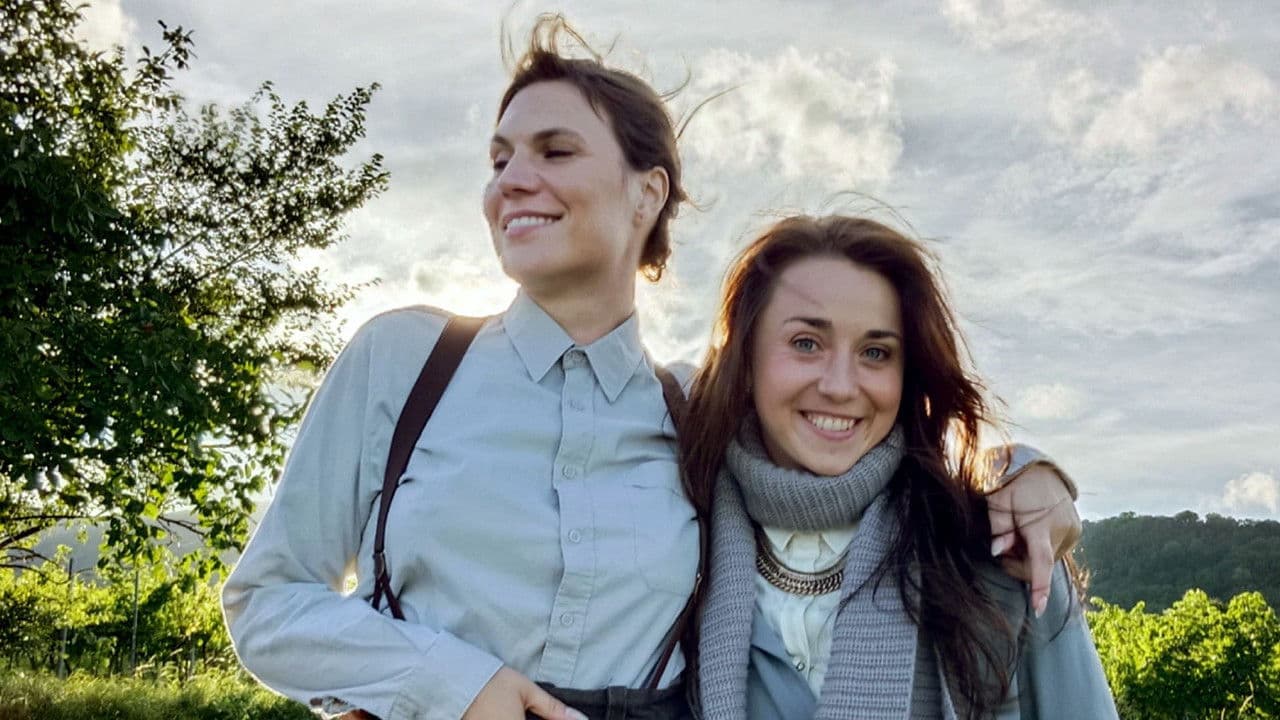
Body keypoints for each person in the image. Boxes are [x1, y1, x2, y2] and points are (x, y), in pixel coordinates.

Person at [222, 16, 1083, 720]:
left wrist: (1026, 472)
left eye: (555, 151)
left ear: (649, 191)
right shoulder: (406, 360)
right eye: (499, 158)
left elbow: (854, 434)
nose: (513, 179)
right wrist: (450, 685)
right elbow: (267, 603)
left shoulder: (693, 405)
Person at [683, 215, 1117, 719]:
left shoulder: (1004, 549)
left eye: (875, 352)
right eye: (806, 343)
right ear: (745, 355)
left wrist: (1017, 468)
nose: (840, 386)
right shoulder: (681, 536)